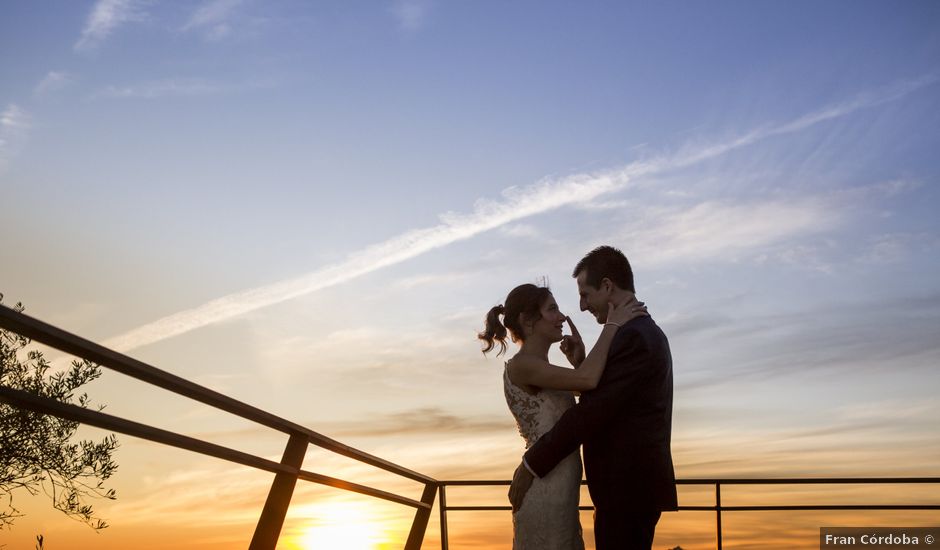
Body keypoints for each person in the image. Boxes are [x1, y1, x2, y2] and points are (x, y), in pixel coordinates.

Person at [508, 246, 678, 550]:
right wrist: (582, 361)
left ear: (608, 286)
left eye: (585, 294)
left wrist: (532, 463)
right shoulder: (637, 333)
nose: (582, 307)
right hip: (623, 491)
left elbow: (591, 414)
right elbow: (605, 398)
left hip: (627, 490)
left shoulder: (634, 337)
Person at [479, 282, 648, 549]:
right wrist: (612, 326)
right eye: (552, 309)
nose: (562, 317)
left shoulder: (543, 369)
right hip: (545, 486)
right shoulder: (522, 366)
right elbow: (588, 379)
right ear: (528, 320)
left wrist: (579, 360)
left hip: (561, 486)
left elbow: (590, 392)